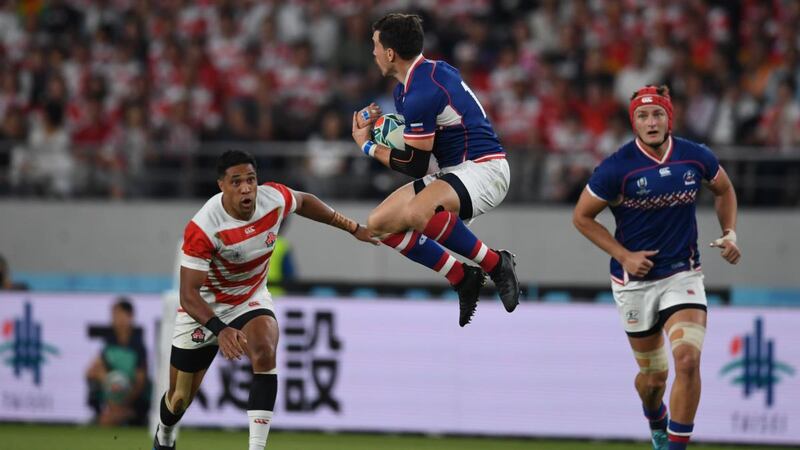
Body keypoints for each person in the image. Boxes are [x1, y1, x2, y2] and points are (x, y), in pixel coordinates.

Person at [152, 150, 376, 450]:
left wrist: (353, 227)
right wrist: (221, 329)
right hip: (204, 308)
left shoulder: (273, 199)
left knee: (264, 350)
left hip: (249, 299)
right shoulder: (204, 227)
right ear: (221, 185)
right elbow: (188, 295)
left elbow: (306, 202)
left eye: (251, 180)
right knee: (179, 400)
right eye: (236, 182)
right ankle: (165, 435)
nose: (246, 188)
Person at [572, 85, 741, 450]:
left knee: (688, 360)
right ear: (634, 122)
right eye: (643, 116)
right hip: (635, 283)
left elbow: (724, 190)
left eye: (657, 114)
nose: (651, 122)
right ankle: (655, 418)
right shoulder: (616, 167)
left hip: (683, 274)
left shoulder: (695, 157)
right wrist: (624, 255)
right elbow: (582, 217)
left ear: (669, 118)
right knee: (653, 379)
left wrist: (729, 233)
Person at [351, 13, 520, 327]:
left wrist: (368, 145)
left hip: (486, 169)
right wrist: (385, 131)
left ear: (390, 53)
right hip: (454, 171)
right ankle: (462, 276)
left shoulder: (419, 92)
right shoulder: (413, 85)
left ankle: (497, 264)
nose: (372, 52)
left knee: (419, 213)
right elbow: (423, 156)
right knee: (378, 225)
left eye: (375, 45)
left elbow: (415, 165)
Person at [86, 298, 150, 426]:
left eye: (120, 315)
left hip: (132, 399)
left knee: (109, 420)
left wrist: (123, 402)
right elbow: (93, 370)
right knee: (96, 372)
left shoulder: (138, 346)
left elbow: (140, 381)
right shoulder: (110, 343)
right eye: (114, 316)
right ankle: (108, 412)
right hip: (112, 396)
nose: (116, 320)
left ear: (130, 316)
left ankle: (126, 415)